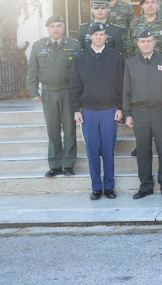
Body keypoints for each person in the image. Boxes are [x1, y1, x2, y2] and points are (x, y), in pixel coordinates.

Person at [123, 29, 162, 200]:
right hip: (139, 112)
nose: (146, 44)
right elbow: (126, 90)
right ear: (137, 43)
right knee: (142, 151)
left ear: (155, 42)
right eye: (142, 41)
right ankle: (146, 186)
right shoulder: (130, 62)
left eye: (149, 41)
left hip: (161, 111)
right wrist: (127, 113)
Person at [69, 23, 124, 200]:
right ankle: (95, 187)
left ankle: (109, 187)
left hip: (109, 110)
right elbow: (74, 86)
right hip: (88, 111)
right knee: (92, 150)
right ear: (90, 37)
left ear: (105, 36)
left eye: (102, 34)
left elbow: (121, 85)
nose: (99, 37)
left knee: (108, 150)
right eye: (96, 34)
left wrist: (121, 107)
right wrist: (75, 109)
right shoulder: (80, 58)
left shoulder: (116, 57)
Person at [26, 15, 81, 177]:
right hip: (49, 93)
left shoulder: (74, 45)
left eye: (59, 25)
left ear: (63, 27)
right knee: (53, 129)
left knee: (70, 129)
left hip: (68, 93)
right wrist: (34, 91)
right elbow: (32, 71)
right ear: (48, 28)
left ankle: (69, 164)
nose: (56, 29)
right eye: (52, 26)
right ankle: (55, 165)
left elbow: (80, 72)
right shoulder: (39, 46)